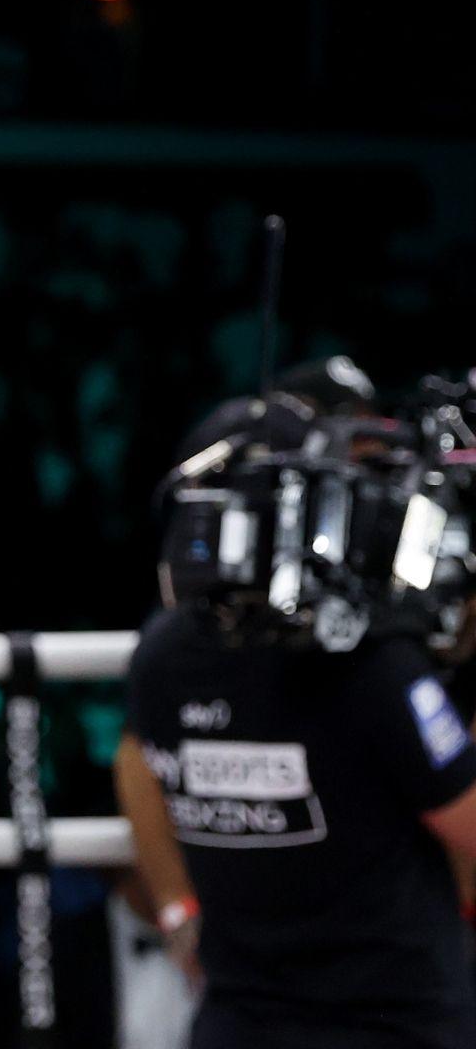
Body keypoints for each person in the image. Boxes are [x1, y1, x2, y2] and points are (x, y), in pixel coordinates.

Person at [117, 400, 476, 1049]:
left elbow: (138, 761)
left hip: (238, 1020)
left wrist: (178, 907)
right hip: (395, 1021)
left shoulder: (161, 654)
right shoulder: (371, 660)